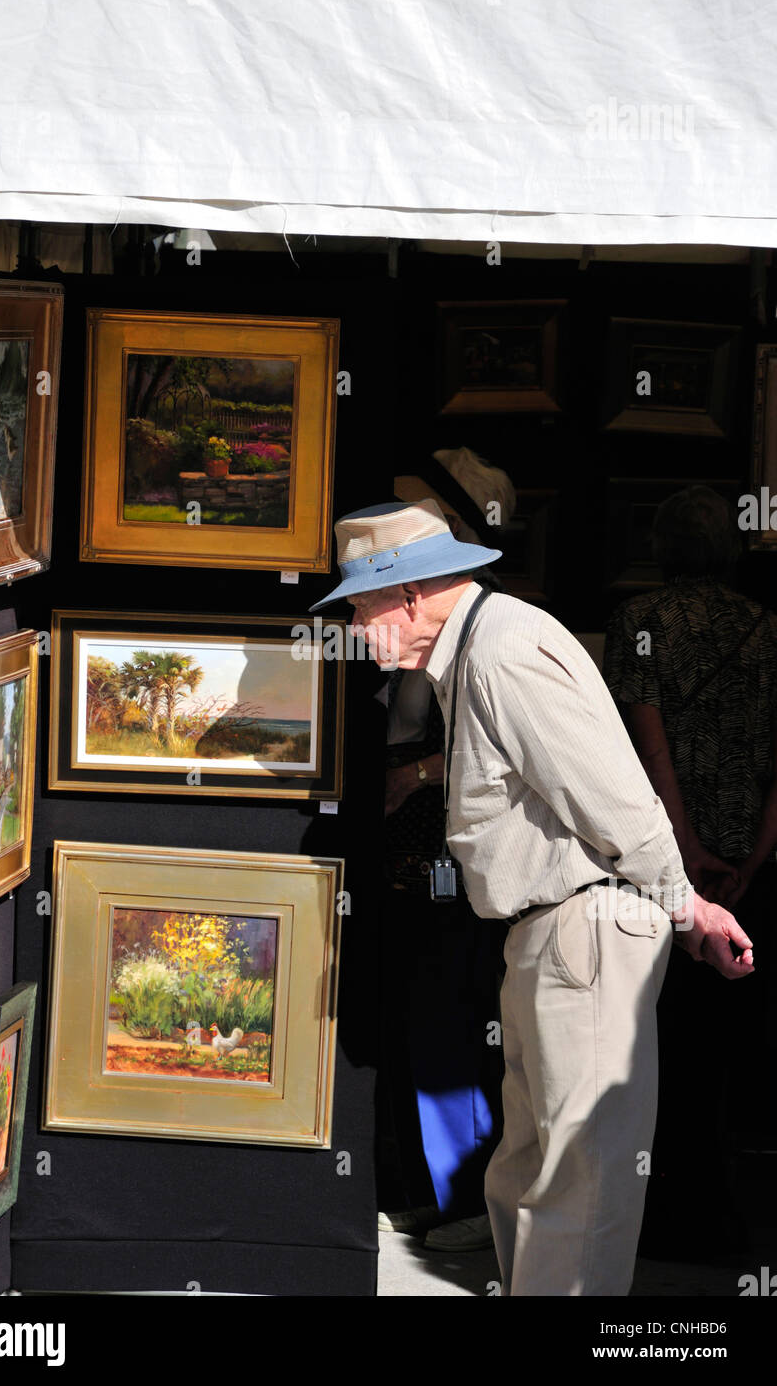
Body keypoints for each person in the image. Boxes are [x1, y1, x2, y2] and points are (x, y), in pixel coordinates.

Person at [310, 497, 754, 1296]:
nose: (348, 618)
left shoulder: (505, 650)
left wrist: (686, 909)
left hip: (581, 926)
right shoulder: (479, 649)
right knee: (531, 1171)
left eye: (356, 601)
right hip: (549, 933)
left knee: (573, 1182)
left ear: (409, 594)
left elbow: (614, 800)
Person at [602, 485, 777, 1253]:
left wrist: (685, 849)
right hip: (747, 869)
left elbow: (646, 747)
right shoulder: (768, 629)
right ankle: (717, 1207)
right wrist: (749, 861)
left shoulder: (638, 621)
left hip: (662, 866)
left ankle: (655, 1206)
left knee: (651, 1035)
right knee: (727, 1041)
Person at [377, 456, 513, 1251]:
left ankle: (467, 1199)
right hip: (412, 857)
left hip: (449, 861)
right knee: (424, 1021)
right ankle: (438, 1188)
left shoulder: (489, 629)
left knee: (450, 1025)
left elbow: (496, 748)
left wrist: (416, 775)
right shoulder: (426, 626)